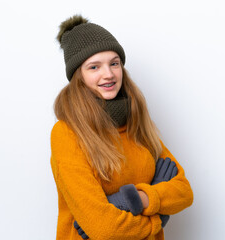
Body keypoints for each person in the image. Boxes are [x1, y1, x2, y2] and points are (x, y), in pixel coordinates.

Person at [50, 15, 193, 240]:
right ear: (79, 76)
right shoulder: (67, 133)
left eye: (114, 63)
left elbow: (184, 191)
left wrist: (139, 199)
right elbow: (105, 229)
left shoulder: (137, 123)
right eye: (94, 66)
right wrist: (159, 217)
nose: (108, 74)